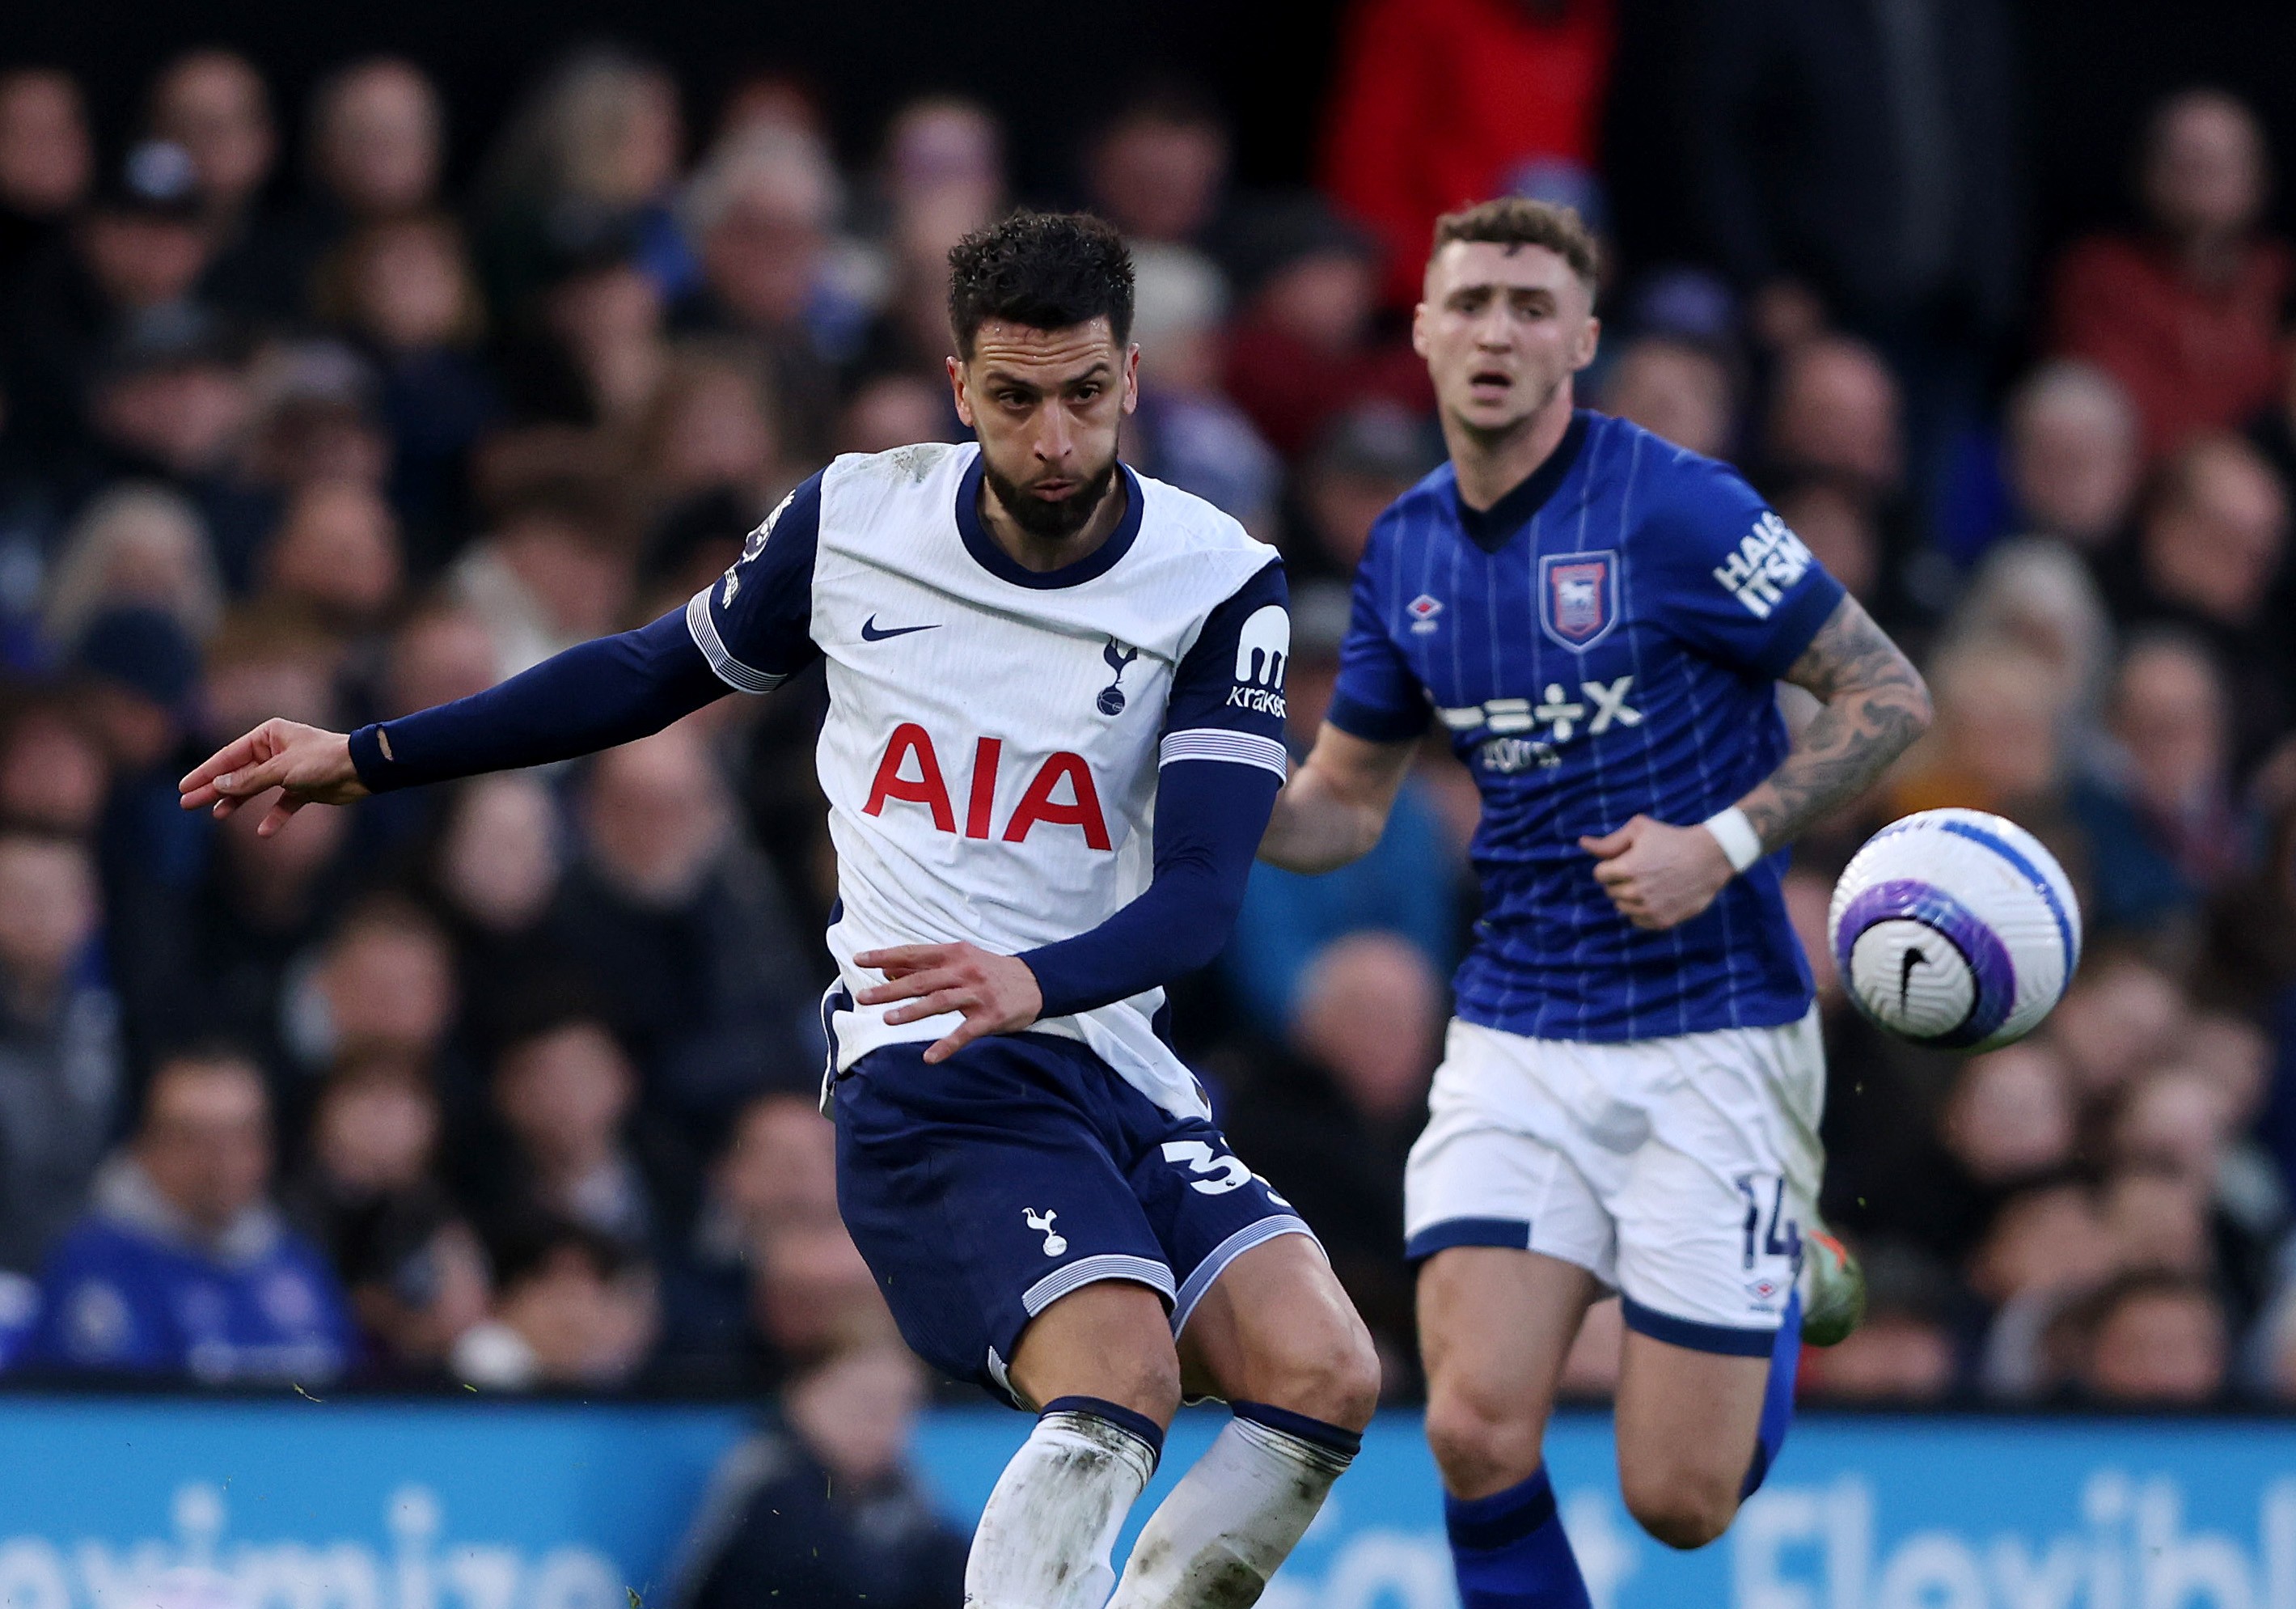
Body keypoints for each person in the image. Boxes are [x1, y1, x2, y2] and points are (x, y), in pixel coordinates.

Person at [179, 211, 1378, 1609]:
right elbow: (640, 674)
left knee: (1324, 1373)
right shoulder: (856, 520)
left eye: (1084, 394)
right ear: (956, 385)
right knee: (1118, 1376)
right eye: (1013, 397)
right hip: (932, 1064)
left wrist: (1033, 977)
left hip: (1105, 1050)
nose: (1052, 435)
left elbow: (1197, 897)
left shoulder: (1215, 576)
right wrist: (369, 752)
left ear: (1129, 379)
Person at [1258, 198, 1932, 1592]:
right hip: (1516, 1029)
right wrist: (1194, 803)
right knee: (1468, 1421)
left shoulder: (1675, 506)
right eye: (1469, 302)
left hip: (1714, 1036)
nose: (1495, 328)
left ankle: (1773, 1285)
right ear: (1422, 329)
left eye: (1526, 304)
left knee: (1676, 1501)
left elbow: (1883, 691)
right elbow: (1340, 805)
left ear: (1579, 338)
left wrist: (1724, 842)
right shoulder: (1403, 550)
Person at [31, 1047, 354, 1382]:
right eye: (194, 1138)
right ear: (146, 1146)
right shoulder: (95, 1268)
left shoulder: (300, 1264)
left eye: (241, 1136)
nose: (221, 1162)